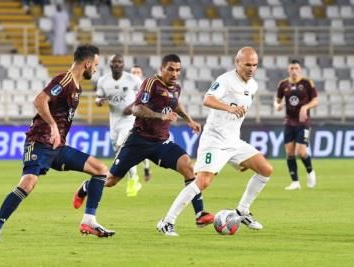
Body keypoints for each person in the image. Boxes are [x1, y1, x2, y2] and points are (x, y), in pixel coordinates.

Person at [0, 44, 115, 241]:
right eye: (95, 65)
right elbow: (39, 100)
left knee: (101, 170)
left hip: (57, 147)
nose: (95, 69)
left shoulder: (77, 86)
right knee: (28, 183)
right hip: (39, 142)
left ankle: (89, 220)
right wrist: (53, 126)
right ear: (87, 63)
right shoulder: (65, 79)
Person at [74, 54, 214, 228]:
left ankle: (200, 214)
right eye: (170, 69)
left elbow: (174, 103)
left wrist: (189, 120)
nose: (174, 73)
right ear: (161, 69)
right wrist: (161, 116)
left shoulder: (176, 88)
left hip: (161, 143)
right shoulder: (151, 83)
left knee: (188, 166)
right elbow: (137, 108)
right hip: (138, 141)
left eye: (178, 70)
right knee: (110, 181)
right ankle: (87, 187)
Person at [157, 47, 273, 236]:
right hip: (215, 140)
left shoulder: (253, 86)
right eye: (247, 65)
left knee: (265, 169)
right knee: (203, 181)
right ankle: (167, 222)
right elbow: (207, 100)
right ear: (238, 63)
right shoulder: (226, 80)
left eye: (255, 65)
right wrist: (229, 108)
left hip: (234, 141)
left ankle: (242, 211)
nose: (251, 69)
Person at [94, 54, 149, 197]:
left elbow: (144, 95)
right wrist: (99, 101)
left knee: (121, 146)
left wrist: (132, 106)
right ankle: (134, 178)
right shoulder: (103, 81)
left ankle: (132, 179)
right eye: (114, 62)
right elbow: (98, 96)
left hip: (129, 120)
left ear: (123, 65)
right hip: (114, 121)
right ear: (110, 64)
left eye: (120, 62)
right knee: (120, 152)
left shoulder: (133, 79)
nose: (117, 64)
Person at [274, 59, 318, 190]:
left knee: (301, 151)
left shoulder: (307, 83)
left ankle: (310, 172)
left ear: (300, 70)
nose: (294, 71)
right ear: (288, 70)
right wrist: (277, 106)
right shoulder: (283, 84)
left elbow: (316, 100)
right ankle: (295, 182)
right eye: (291, 68)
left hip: (303, 122)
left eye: (296, 68)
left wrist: (305, 107)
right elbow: (276, 101)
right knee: (289, 151)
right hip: (289, 121)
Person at [130, 64, 152, 181]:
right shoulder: (127, 87)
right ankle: (133, 176)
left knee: (142, 147)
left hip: (142, 121)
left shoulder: (146, 88)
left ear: (141, 74)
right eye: (133, 72)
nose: (135, 75)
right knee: (133, 147)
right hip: (129, 121)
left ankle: (146, 167)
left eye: (137, 72)